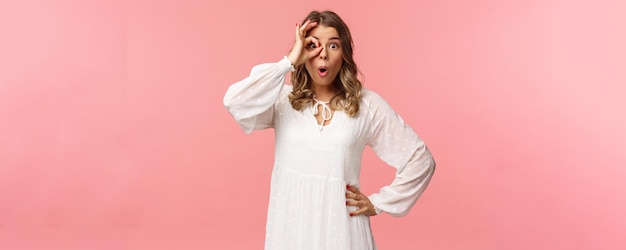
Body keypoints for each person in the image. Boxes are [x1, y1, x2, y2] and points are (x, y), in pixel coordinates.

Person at [223, 10, 435, 250]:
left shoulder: (367, 105)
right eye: (313, 45)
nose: (322, 54)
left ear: (344, 53)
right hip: (292, 230)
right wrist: (288, 62)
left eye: (333, 46)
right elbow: (235, 102)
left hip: (343, 232)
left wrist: (378, 203)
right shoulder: (283, 101)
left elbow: (421, 160)